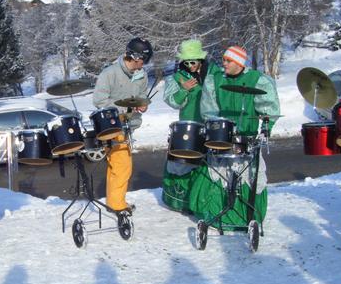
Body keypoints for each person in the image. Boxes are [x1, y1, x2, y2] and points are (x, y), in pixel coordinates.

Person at [189, 45, 280, 229]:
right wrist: (217, 126)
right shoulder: (215, 80)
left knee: (248, 176)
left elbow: (269, 109)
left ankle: (246, 216)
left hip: (247, 138)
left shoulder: (257, 80)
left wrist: (266, 128)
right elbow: (208, 109)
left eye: (228, 60)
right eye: (223, 59)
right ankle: (217, 214)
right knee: (217, 173)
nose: (224, 63)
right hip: (222, 137)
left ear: (239, 63)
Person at [93, 37, 152, 212]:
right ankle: (117, 205)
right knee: (122, 166)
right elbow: (99, 100)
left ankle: (114, 201)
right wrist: (125, 107)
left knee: (116, 166)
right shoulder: (109, 73)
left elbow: (142, 95)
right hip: (110, 125)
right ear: (134, 56)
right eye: (143, 60)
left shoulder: (141, 75)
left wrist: (142, 104)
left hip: (128, 125)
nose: (144, 64)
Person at [161, 39, 219, 212]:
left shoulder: (213, 73)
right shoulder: (178, 77)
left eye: (193, 62)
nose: (190, 66)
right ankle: (183, 202)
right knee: (186, 163)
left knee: (209, 164)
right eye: (186, 62)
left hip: (211, 125)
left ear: (200, 60)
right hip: (190, 126)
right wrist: (183, 89)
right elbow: (173, 101)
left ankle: (205, 201)